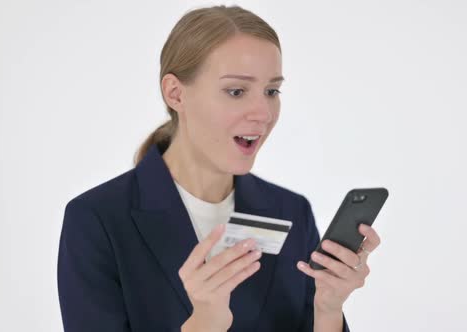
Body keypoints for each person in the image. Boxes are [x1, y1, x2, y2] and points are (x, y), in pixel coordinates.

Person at [57, 5, 380, 332]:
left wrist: (328, 310)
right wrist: (204, 323)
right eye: (236, 91)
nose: (263, 113)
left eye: (271, 91)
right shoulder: (98, 220)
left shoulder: (290, 211)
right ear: (175, 93)